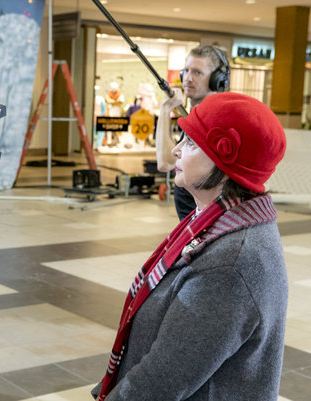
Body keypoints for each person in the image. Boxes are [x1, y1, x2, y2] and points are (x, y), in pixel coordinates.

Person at [92, 92, 288, 401]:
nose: (177, 150)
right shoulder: (217, 222)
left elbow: (163, 379)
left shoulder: (229, 265)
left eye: (192, 143)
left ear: (226, 164)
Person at [155, 45, 230, 220]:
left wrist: (166, 110)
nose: (188, 78)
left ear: (217, 80)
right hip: (193, 221)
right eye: (186, 71)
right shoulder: (197, 115)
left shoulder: (212, 119)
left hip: (206, 224)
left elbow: (166, 162)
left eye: (197, 73)